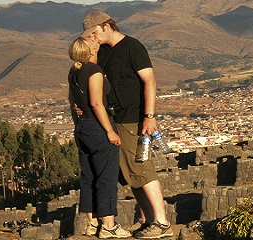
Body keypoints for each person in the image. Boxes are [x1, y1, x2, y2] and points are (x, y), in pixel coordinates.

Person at [81, 11, 172, 239]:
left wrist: (149, 115)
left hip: (133, 118)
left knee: (142, 168)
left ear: (106, 26)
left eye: (94, 32)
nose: (93, 37)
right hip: (115, 119)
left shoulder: (133, 47)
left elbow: (149, 81)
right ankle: (149, 220)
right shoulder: (103, 52)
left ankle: (162, 223)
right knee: (130, 174)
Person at [68, 36, 131, 238]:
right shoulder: (94, 71)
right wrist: (109, 131)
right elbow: (97, 103)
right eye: (93, 41)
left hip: (83, 128)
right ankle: (109, 226)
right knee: (106, 176)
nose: (97, 41)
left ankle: (92, 223)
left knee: (88, 177)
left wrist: (79, 125)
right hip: (97, 128)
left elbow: (72, 102)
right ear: (91, 50)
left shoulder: (74, 71)